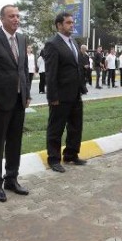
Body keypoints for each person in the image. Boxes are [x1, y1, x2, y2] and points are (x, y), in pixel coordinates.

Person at [0, 4, 31, 203]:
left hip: (19, 100)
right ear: (2, 19)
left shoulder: (21, 38)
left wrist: (26, 93)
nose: (16, 19)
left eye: (18, 16)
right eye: (11, 16)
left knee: (15, 141)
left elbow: (24, 69)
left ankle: (12, 179)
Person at [44, 12, 88, 173]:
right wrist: (52, 97)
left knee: (76, 126)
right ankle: (54, 159)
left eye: (72, 22)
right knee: (56, 128)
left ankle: (71, 154)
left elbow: (76, 67)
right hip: (60, 96)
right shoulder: (52, 44)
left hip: (75, 93)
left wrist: (82, 87)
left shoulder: (74, 42)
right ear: (59, 25)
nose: (72, 25)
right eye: (68, 23)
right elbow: (50, 73)